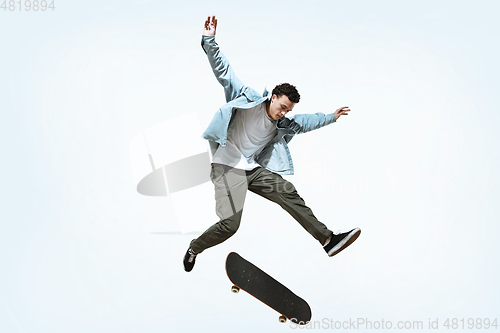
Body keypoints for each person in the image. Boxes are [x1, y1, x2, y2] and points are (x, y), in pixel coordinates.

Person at [183, 16, 360, 272]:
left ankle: (328, 240)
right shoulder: (246, 99)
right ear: (273, 97)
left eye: (287, 111)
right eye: (282, 107)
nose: (283, 113)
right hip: (226, 167)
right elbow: (224, 71)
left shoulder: (283, 124)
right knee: (230, 226)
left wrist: (331, 117)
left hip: (251, 171)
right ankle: (195, 247)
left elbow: (305, 121)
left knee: (286, 190)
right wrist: (209, 40)